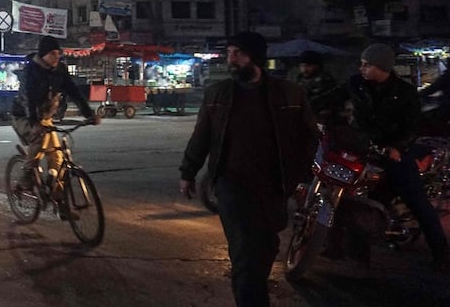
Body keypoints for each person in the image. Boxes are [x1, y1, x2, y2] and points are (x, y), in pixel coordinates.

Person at [179, 31, 317, 307]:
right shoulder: (217, 94)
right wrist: (188, 171)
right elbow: (202, 136)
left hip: (273, 185)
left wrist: (300, 177)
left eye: (237, 54)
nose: (231, 59)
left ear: (255, 57)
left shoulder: (290, 93)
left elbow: (308, 138)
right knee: (244, 250)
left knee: (267, 246)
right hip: (231, 184)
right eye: (229, 53)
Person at [317, 43, 449, 272]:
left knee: (416, 200)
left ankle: (441, 254)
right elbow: (326, 99)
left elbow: (412, 126)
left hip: (393, 152)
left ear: (382, 67)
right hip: (360, 146)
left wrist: (397, 147)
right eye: (362, 63)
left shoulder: (405, 91)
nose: (362, 68)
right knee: (339, 192)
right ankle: (334, 246)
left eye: (367, 65)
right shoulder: (355, 83)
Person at [11, 35, 98, 207]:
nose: (57, 56)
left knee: (58, 157)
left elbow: (73, 91)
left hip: (45, 118)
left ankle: (58, 200)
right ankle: (24, 182)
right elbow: (29, 98)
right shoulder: (32, 71)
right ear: (44, 54)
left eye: (58, 53)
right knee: (39, 140)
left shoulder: (60, 71)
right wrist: (35, 123)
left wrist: (89, 114)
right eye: (53, 53)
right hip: (24, 116)